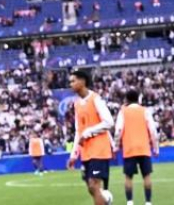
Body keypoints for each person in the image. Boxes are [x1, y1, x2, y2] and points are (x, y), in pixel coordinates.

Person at [67, 69, 114, 205]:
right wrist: (74, 155)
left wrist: (88, 132)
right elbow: (78, 131)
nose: (71, 84)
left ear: (82, 81)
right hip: (86, 152)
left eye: (73, 81)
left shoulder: (95, 99)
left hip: (99, 151)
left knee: (94, 184)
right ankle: (106, 201)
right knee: (91, 188)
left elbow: (109, 122)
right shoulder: (77, 104)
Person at [114, 89, 159, 205]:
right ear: (138, 99)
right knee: (147, 176)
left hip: (129, 148)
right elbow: (153, 131)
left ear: (127, 99)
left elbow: (118, 130)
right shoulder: (145, 111)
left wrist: (116, 146)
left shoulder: (123, 112)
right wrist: (156, 148)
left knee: (128, 177)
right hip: (143, 148)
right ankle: (148, 202)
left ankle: (130, 202)